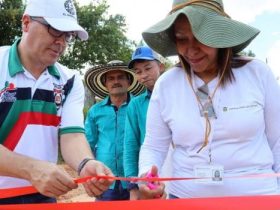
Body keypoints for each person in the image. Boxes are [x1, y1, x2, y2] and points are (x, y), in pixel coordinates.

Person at [137, 0, 280, 199]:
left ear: (220, 35)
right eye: (182, 39)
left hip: (258, 197)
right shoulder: (167, 84)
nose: (191, 50)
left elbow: (278, 141)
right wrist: (146, 175)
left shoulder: (257, 73)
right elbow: (154, 145)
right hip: (186, 198)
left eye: (200, 38)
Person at [0, 0, 113, 204]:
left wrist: (85, 163)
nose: (61, 42)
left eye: (68, 35)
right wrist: (31, 170)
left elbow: (72, 135)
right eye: (55, 29)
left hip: (43, 195)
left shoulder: (68, 80)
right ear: (26, 23)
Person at [84, 60, 144, 201]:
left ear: (129, 81)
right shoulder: (95, 111)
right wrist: (92, 177)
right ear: (105, 84)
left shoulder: (139, 106)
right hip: (105, 180)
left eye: (120, 77)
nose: (116, 81)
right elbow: (88, 144)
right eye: (111, 78)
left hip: (136, 178)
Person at [123, 46, 165, 200]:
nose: (144, 75)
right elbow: (130, 145)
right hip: (150, 177)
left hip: (181, 173)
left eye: (148, 68)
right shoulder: (136, 105)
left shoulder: (180, 95)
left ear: (161, 66)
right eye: (138, 72)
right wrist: (133, 187)